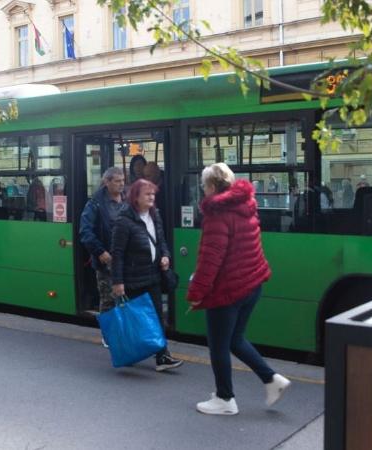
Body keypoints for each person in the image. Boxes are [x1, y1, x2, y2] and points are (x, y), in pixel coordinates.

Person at [187, 163, 290, 416]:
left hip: (227, 291)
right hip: (251, 285)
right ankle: (272, 379)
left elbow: (210, 260)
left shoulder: (217, 214)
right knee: (235, 339)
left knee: (219, 345)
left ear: (211, 186)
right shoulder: (248, 208)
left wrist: (196, 293)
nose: (203, 190)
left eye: (204, 186)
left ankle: (225, 399)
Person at [111, 179, 183, 371]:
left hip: (153, 276)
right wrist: (117, 282)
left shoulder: (154, 215)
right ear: (136, 197)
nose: (152, 197)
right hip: (133, 279)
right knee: (135, 319)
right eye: (147, 194)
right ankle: (129, 352)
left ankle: (162, 357)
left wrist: (166, 256)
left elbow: (161, 241)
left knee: (157, 317)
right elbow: (117, 254)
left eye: (153, 194)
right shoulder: (124, 220)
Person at [80, 167, 125, 319]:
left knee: (126, 298)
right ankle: (109, 335)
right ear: (107, 182)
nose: (121, 184)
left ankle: (123, 334)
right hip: (106, 261)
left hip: (126, 260)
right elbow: (85, 232)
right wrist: (100, 252)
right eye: (117, 181)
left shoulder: (127, 200)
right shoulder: (95, 204)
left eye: (123, 180)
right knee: (109, 300)